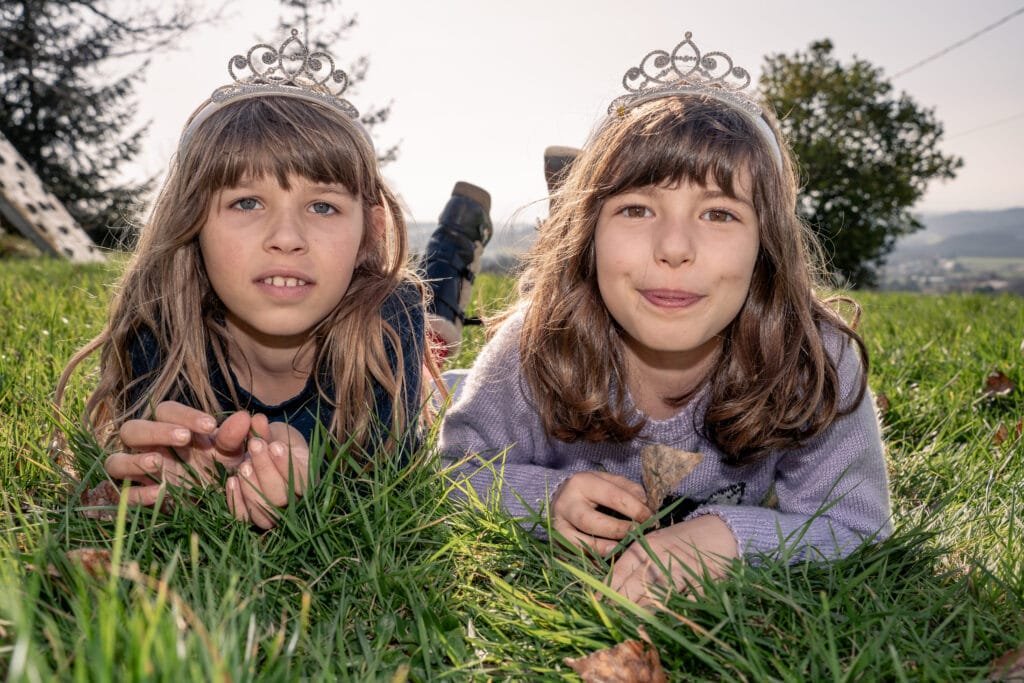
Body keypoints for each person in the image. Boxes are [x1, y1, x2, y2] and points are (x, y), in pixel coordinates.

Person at [440, 31, 892, 605]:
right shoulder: (533, 343)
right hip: (480, 388)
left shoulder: (815, 359)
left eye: (719, 214)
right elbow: (458, 473)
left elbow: (858, 527)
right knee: (432, 358)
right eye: (637, 208)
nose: (675, 247)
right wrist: (545, 497)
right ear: (588, 234)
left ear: (767, 243)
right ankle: (448, 274)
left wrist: (729, 537)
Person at [55, 30, 427, 530]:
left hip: (411, 336)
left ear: (370, 231)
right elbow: (151, 458)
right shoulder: (160, 320)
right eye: (246, 203)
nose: (287, 238)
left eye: (323, 206)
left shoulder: (392, 313)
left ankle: (455, 245)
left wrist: (314, 471)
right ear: (192, 224)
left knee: (441, 333)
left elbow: (394, 475)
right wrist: (177, 467)